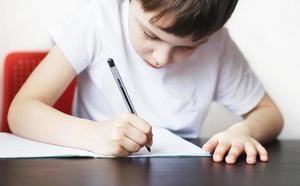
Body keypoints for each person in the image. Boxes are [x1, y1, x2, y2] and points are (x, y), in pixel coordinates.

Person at [8, 0, 283, 164]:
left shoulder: (218, 46)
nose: (162, 58)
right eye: (150, 35)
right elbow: (22, 111)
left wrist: (244, 131)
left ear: (211, 34)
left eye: (188, 47)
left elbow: (269, 113)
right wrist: (91, 135)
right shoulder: (99, 21)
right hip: (94, 172)